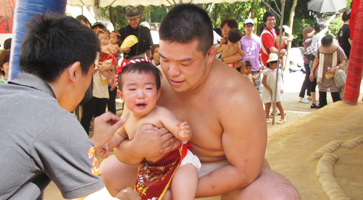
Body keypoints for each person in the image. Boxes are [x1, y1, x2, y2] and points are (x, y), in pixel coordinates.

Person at [99, 4, 300, 200]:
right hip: (163, 169)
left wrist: (175, 193)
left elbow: (244, 172)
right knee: (110, 169)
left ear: (210, 54)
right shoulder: (149, 84)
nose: (172, 72)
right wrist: (137, 149)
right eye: (166, 59)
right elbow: (122, 144)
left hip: (226, 179)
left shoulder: (237, 96)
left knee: (280, 196)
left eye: (185, 63)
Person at [0, 13, 138, 200]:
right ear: (75, 72)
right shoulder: (55, 119)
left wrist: (93, 142)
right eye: (91, 72)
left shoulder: (3, 93)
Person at [98, 60, 201, 200]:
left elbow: (177, 128)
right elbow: (118, 135)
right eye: (133, 89)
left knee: (182, 194)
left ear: (158, 93)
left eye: (148, 88)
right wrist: (107, 144)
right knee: (152, 195)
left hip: (180, 162)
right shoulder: (126, 118)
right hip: (152, 168)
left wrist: (182, 132)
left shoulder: (161, 114)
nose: (141, 95)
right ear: (121, 95)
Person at [80, 27, 116, 134]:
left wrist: (108, 67)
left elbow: (113, 68)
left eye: (106, 39)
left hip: (103, 88)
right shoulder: (91, 52)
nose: (104, 41)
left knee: (100, 116)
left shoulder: (109, 54)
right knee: (87, 115)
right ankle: (83, 140)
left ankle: (99, 140)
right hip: (92, 88)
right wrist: (99, 67)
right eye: (101, 38)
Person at [309, 35, 347, 108]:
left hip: (333, 75)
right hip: (321, 74)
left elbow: (343, 61)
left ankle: (337, 111)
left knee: (335, 96)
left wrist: (335, 68)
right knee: (322, 96)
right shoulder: (320, 49)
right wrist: (312, 72)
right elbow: (316, 60)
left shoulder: (338, 49)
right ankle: (322, 109)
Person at [305, 20, 327, 108]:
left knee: (312, 81)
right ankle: (321, 101)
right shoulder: (322, 37)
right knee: (321, 81)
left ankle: (313, 101)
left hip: (312, 60)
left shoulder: (315, 36)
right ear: (323, 28)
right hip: (318, 61)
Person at [261, 53, 285, 124]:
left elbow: (280, 80)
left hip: (276, 89)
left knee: (278, 103)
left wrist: (281, 88)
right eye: (275, 64)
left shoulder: (279, 71)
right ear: (270, 64)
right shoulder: (266, 71)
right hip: (268, 89)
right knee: (267, 104)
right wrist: (268, 89)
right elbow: (263, 81)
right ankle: (267, 117)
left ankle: (282, 117)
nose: (276, 65)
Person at [241, 18, 262, 93]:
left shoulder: (258, 39)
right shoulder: (241, 40)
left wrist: (261, 64)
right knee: (245, 91)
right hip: (245, 69)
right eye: (247, 26)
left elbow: (260, 53)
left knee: (257, 91)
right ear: (244, 28)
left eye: (250, 26)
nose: (249, 28)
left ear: (253, 27)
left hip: (255, 68)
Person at [337, 8, 351, 99]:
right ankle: (344, 96)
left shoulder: (341, 29)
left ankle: (342, 96)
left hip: (342, 57)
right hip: (349, 57)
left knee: (343, 76)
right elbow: (352, 43)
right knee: (347, 77)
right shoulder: (349, 29)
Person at [298, 26, 315, 104]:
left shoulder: (306, 40)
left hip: (307, 61)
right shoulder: (309, 41)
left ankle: (309, 94)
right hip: (308, 62)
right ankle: (302, 95)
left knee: (309, 78)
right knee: (308, 78)